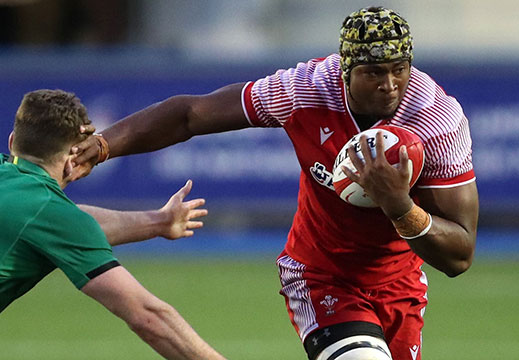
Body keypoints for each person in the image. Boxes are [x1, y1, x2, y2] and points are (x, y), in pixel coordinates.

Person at [71, 6, 478, 360]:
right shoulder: (307, 88)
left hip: (398, 284)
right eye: (373, 72)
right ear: (345, 70)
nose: (389, 84)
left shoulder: (437, 121)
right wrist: (104, 145)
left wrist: (399, 206)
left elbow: (459, 256)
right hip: (320, 275)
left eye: (398, 70)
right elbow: (191, 114)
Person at [0, 89, 226, 360]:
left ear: (13, 141)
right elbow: (149, 318)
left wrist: (159, 221)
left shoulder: (35, 204)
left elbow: (65, 223)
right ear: (76, 158)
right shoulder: (49, 214)